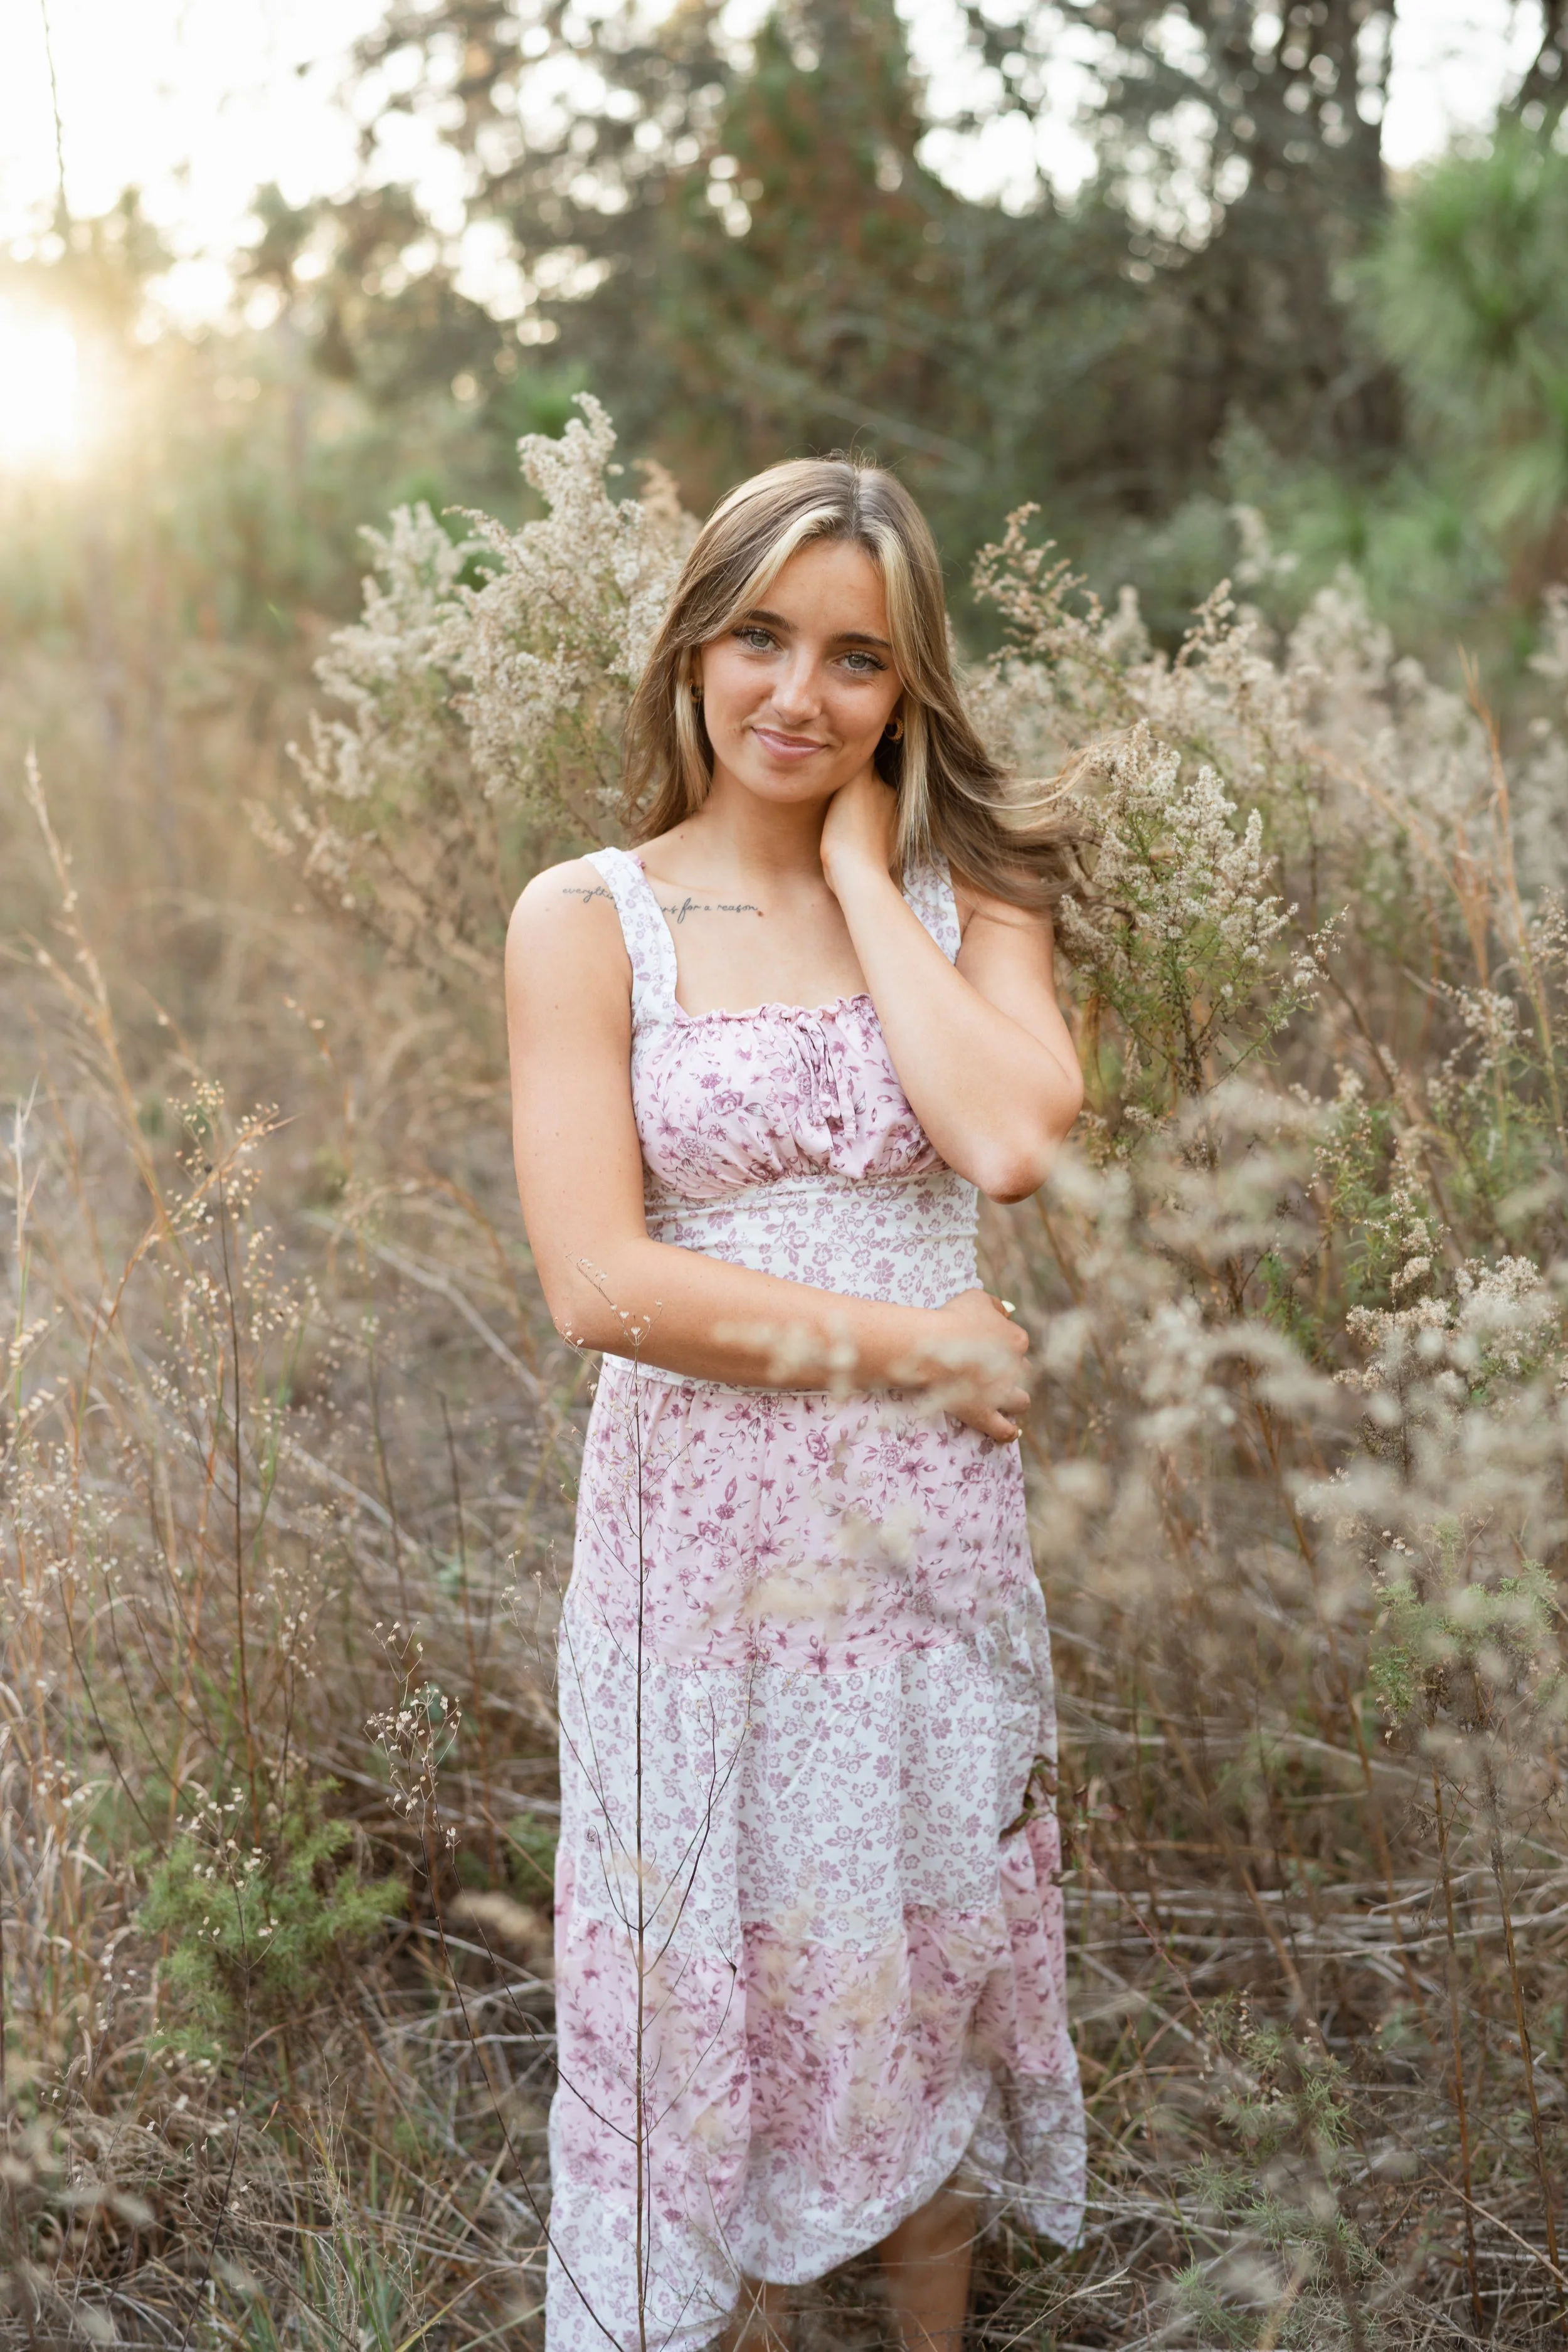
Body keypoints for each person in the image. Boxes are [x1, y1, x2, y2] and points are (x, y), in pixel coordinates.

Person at [505, 457, 1086, 2352]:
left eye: (854, 659)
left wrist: (856, 868)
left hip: (922, 1553)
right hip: (697, 1561)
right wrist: (925, 1348)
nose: (794, 696)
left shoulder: (963, 891)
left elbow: (1001, 1135)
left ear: (905, 691)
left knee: (914, 1959)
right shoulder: (585, 920)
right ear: (690, 642)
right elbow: (601, 1281)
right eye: (757, 634)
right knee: (711, 1997)